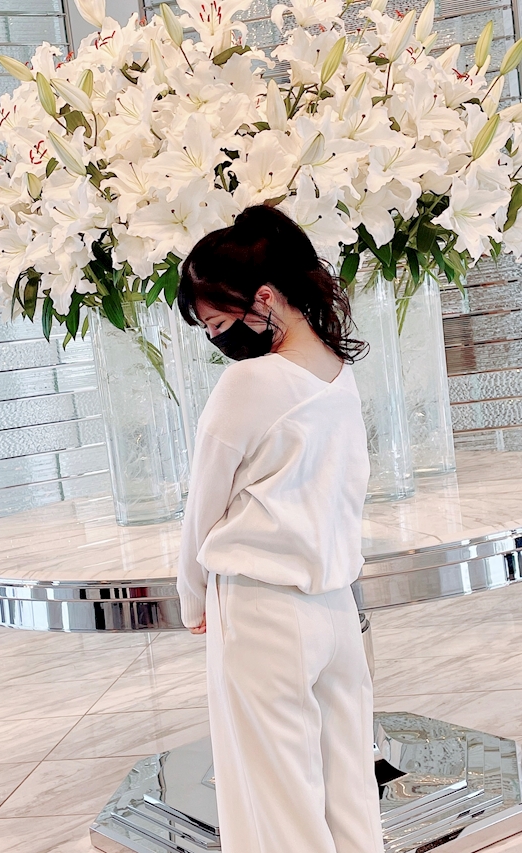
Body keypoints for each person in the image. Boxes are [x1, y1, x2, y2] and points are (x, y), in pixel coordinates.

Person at [175, 203, 384, 853]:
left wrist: (192, 599)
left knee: (277, 802)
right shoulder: (337, 373)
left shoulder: (249, 383)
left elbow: (203, 506)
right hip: (335, 606)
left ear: (262, 297)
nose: (218, 339)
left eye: (218, 323)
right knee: (349, 791)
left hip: (261, 607)